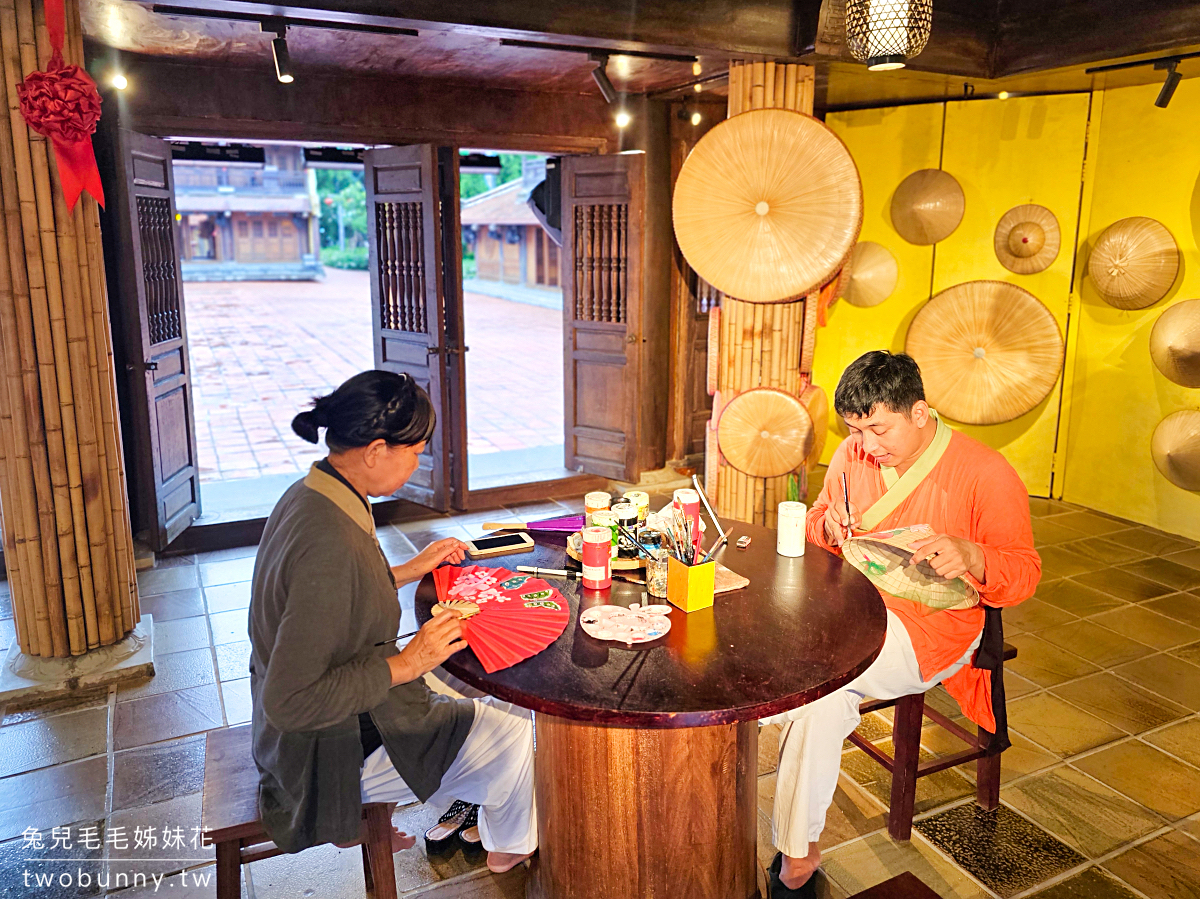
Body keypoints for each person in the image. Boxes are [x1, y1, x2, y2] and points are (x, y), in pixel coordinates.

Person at [765, 351, 1040, 898]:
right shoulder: (852, 454)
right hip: (852, 604)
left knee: (817, 691)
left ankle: (797, 855)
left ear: (919, 412)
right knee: (769, 640)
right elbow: (821, 520)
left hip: (932, 628)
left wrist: (974, 556)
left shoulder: (985, 472)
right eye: (855, 430)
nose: (867, 445)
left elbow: (1024, 574)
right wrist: (829, 523)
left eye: (878, 428)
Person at [248, 370, 536, 874]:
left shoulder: (315, 492)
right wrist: (406, 664)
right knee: (513, 730)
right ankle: (510, 844)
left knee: (459, 672)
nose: (419, 461)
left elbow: (332, 597)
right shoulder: (331, 545)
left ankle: (466, 791)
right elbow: (290, 701)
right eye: (416, 449)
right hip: (322, 755)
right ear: (377, 449)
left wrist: (408, 570)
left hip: (324, 716)